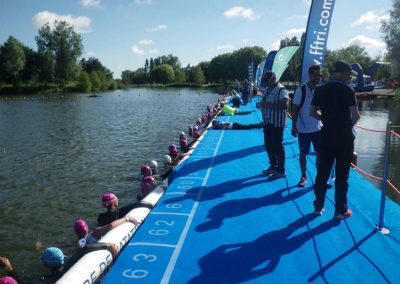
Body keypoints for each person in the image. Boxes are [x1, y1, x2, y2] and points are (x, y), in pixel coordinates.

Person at [310, 60, 360, 220]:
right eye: (349, 75)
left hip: (326, 134)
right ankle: (340, 210)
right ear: (344, 73)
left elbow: (312, 112)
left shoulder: (320, 89)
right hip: (344, 137)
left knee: (322, 172)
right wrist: (346, 125)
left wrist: (326, 119)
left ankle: (318, 206)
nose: (349, 78)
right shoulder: (347, 90)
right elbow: (356, 115)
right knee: (342, 174)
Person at [291, 64, 323, 187]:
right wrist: (294, 126)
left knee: (320, 153)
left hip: (318, 128)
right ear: (310, 75)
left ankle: (320, 177)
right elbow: (294, 108)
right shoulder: (302, 89)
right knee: (303, 153)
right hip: (304, 129)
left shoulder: (320, 89)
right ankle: (303, 176)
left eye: (320, 75)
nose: (318, 77)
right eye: (316, 75)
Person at [259, 71, 289, 179]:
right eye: (266, 81)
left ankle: (281, 170)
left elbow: (285, 105)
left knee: (278, 146)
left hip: (277, 123)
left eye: (269, 81)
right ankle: (273, 166)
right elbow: (263, 101)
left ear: (274, 78)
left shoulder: (281, 89)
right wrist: (261, 104)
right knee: (268, 145)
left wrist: (268, 105)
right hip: (267, 121)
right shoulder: (268, 89)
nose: (267, 83)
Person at [74, 216, 138, 248]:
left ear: (75, 232)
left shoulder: (77, 244)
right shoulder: (95, 233)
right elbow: (111, 226)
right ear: (87, 227)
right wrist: (126, 218)